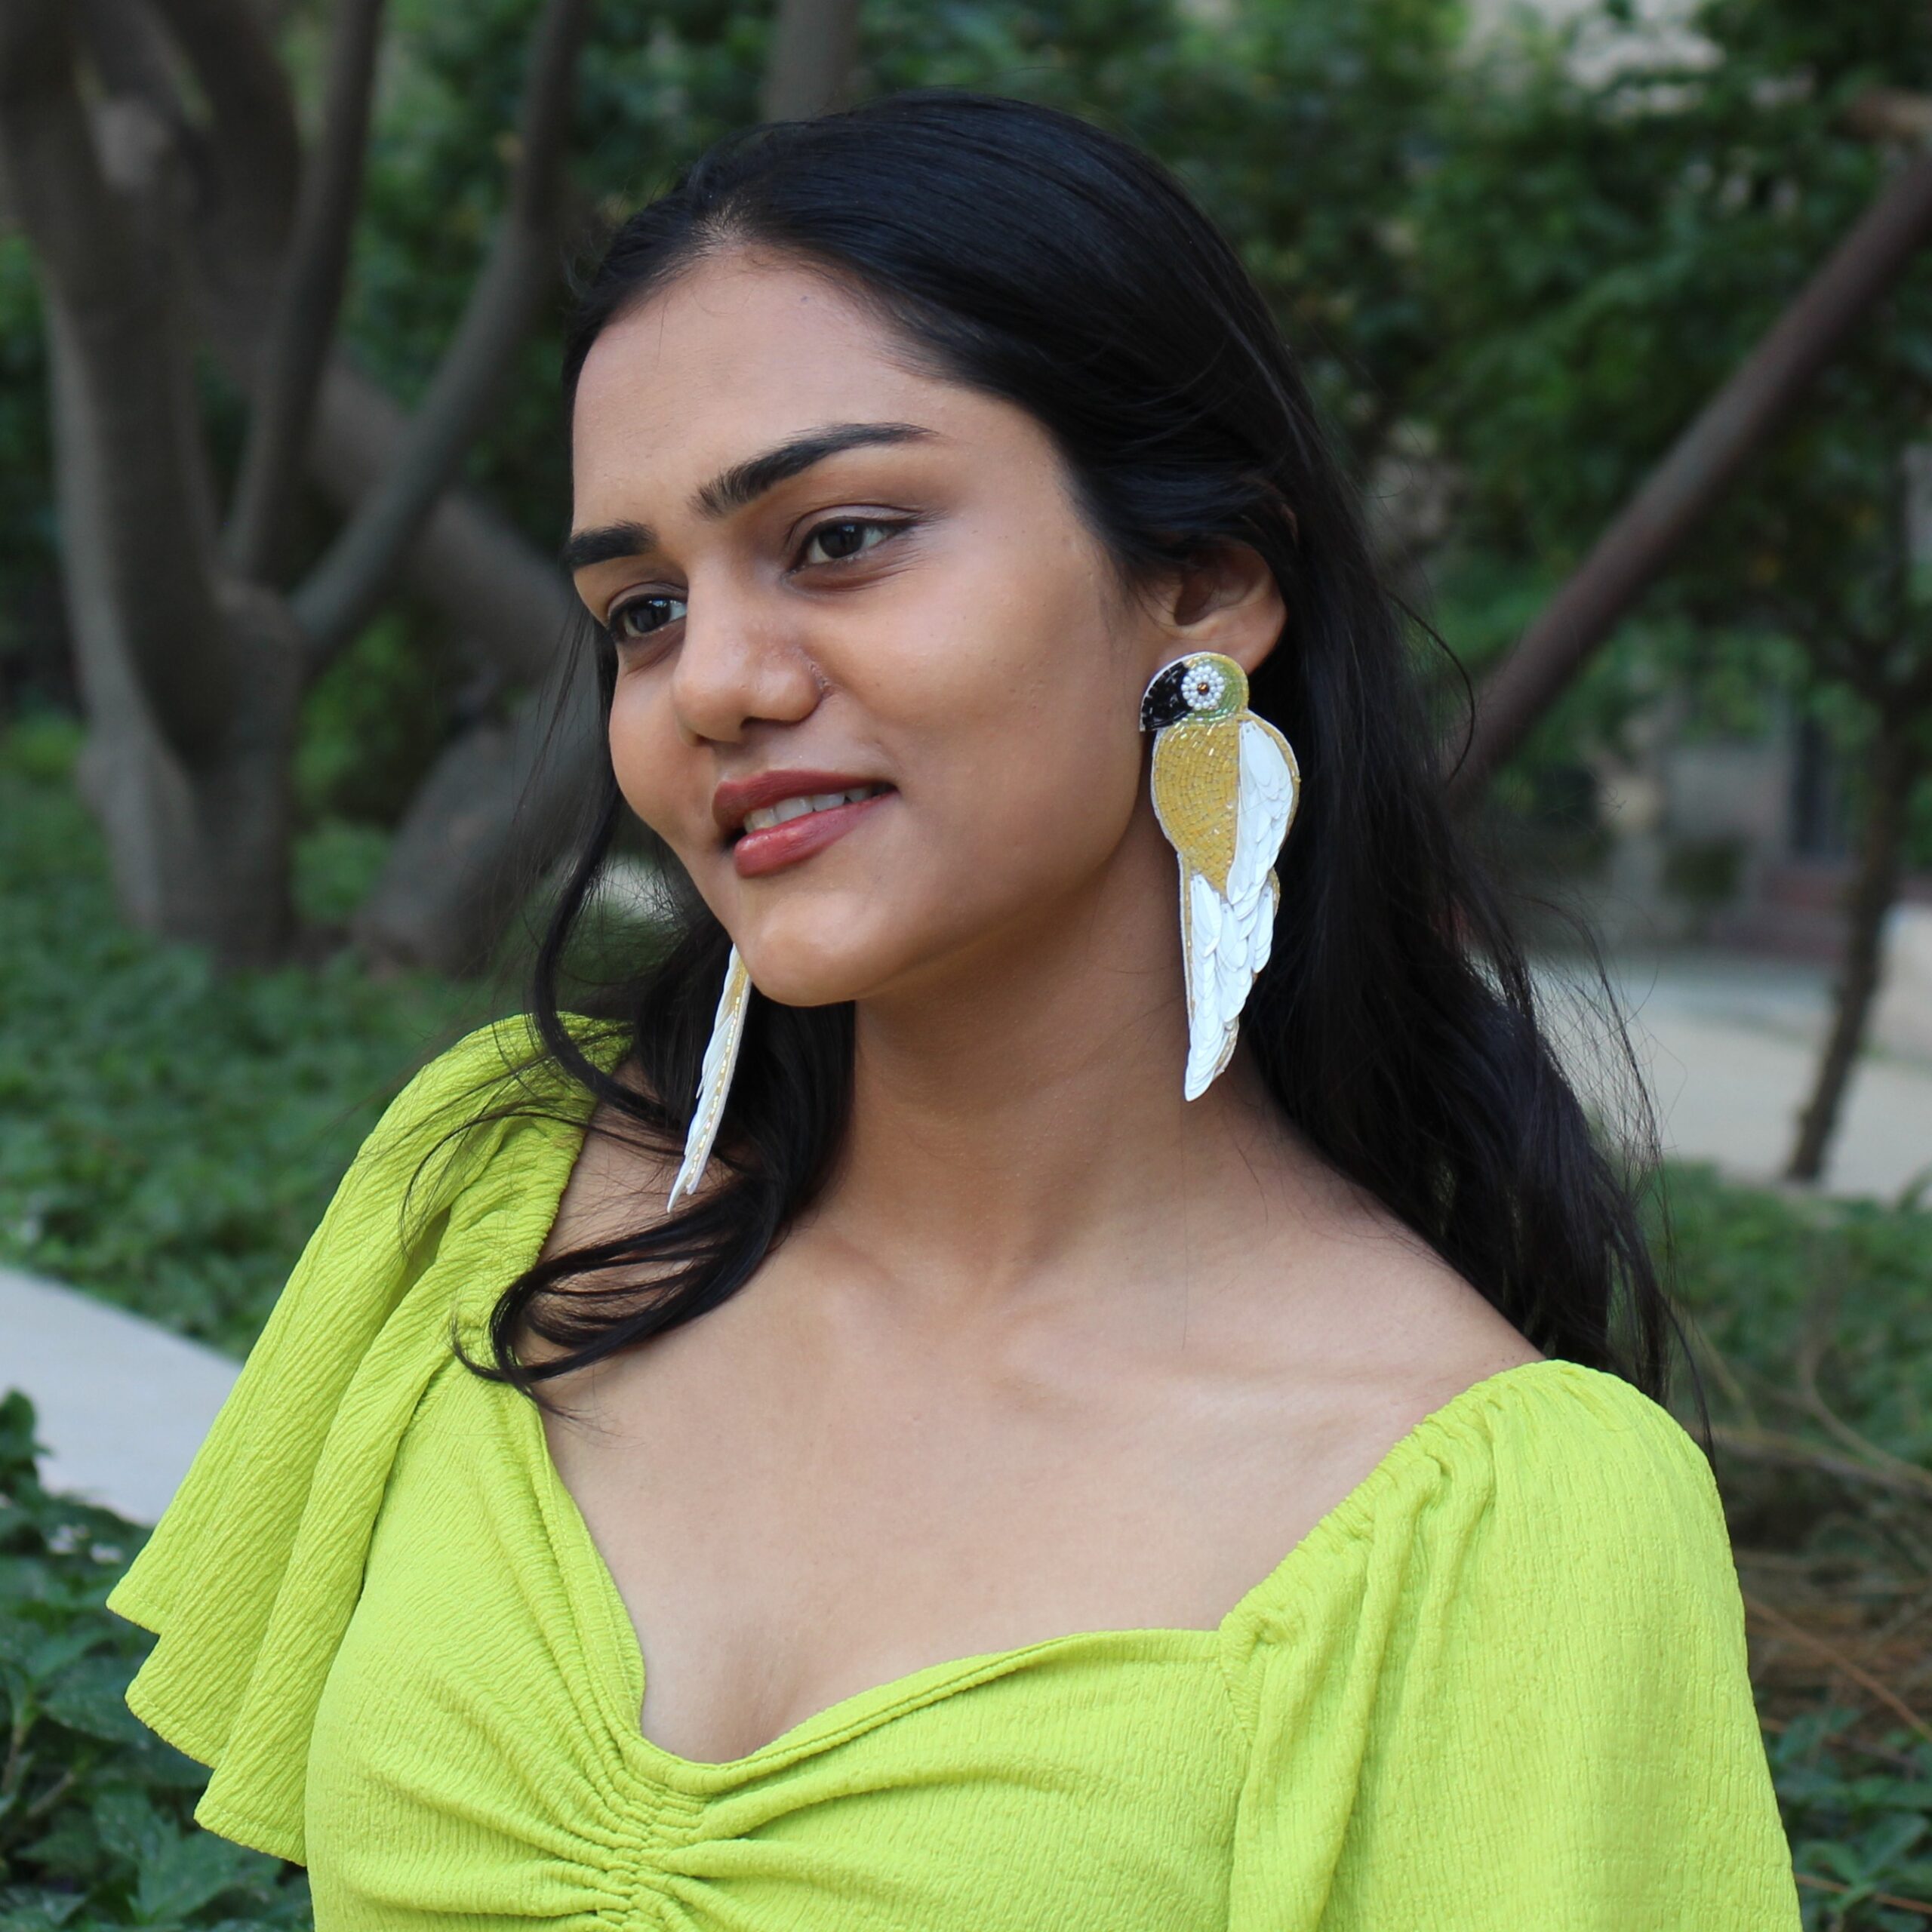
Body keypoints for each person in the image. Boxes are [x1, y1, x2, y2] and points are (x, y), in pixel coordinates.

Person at [109, 91, 1800, 1929]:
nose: (716, 687)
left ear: (1204, 584)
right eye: (643, 609)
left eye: (838, 537)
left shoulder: (1493, 1518)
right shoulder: (490, 1198)